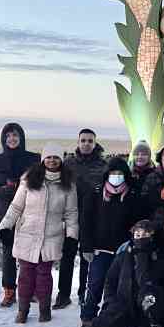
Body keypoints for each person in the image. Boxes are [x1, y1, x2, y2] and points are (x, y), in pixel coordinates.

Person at [0, 144, 78, 324]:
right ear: (43, 160)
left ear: (61, 160)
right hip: (27, 234)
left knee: (44, 275)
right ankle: (23, 310)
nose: (52, 160)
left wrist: (72, 237)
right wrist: (5, 227)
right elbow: (16, 206)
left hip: (51, 236)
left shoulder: (68, 184)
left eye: (56, 157)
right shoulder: (29, 179)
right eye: (48, 157)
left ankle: (44, 309)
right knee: (25, 274)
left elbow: (71, 213)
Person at [76, 220, 164, 327]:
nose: (141, 238)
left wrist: (142, 255)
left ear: (152, 236)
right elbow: (110, 280)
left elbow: (151, 280)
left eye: (145, 235)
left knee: (150, 295)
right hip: (126, 303)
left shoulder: (160, 255)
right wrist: (110, 300)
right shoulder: (124, 254)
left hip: (151, 306)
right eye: (137, 235)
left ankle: (154, 326)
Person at [0, 122, 40, 307]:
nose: (12, 139)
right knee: (8, 252)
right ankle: (9, 291)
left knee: (29, 252)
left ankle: (30, 290)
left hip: (30, 213)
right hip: (6, 214)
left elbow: (44, 181)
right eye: (8, 136)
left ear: (21, 138)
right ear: (3, 139)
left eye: (15, 135)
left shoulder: (33, 159)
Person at [79, 157, 144, 325]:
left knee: (116, 286)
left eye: (120, 173)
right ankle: (88, 316)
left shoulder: (132, 195)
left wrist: (133, 244)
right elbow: (86, 221)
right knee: (95, 283)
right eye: (113, 173)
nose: (116, 176)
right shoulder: (95, 193)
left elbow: (137, 222)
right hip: (99, 249)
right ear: (107, 174)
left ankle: (109, 316)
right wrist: (86, 246)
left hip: (123, 250)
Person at [56, 128, 107, 309]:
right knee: (67, 256)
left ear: (95, 143)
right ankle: (63, 294)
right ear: (78, 142)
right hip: (71, 216)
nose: (86, 144)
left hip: (92, 219)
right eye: (83, 140)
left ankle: (83, 294)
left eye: (90, 141)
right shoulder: (68, 164)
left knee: (87, 258)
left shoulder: (102, 165)